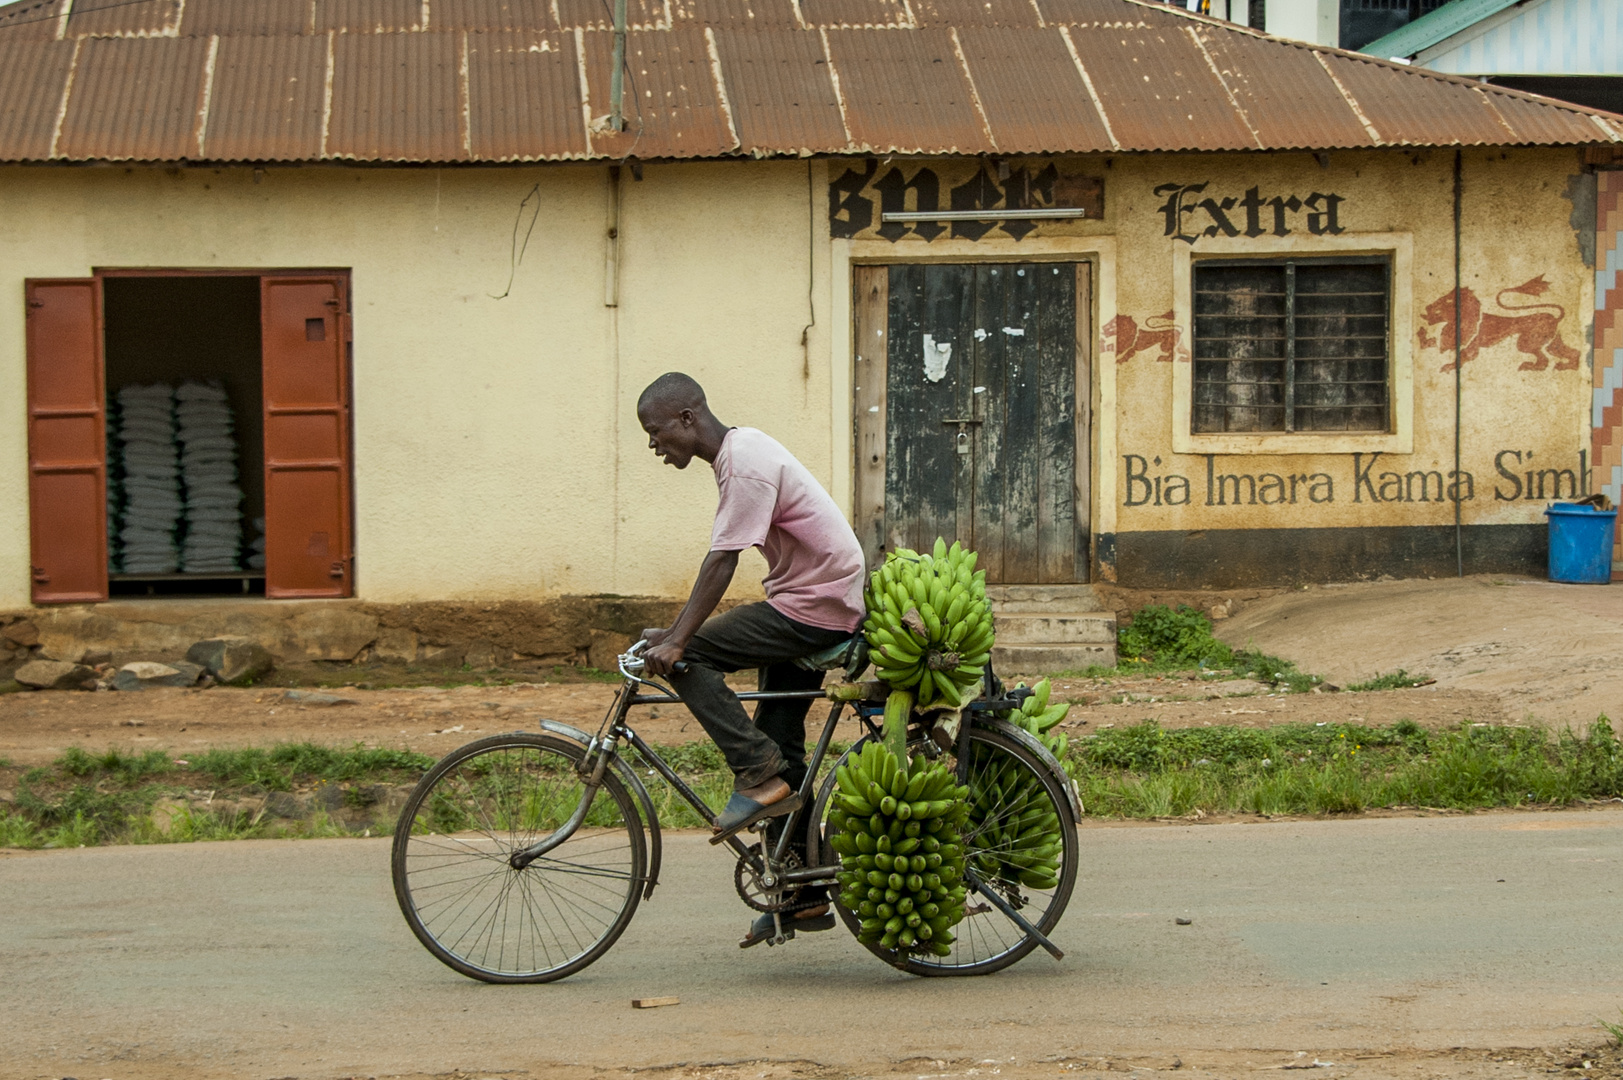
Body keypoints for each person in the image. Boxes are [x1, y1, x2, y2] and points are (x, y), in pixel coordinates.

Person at [636, 371, 865, 947]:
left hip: (818, 605)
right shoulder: (739, 453)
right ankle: (805, 897)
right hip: (811, 599)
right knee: (783, 741)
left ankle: (756, 774)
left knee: (691, 660)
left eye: (656, 431)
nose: (653, 445)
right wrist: (674, 629)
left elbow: (722, 562)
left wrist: (678, 641)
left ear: (688, 419)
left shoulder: (744, 462)